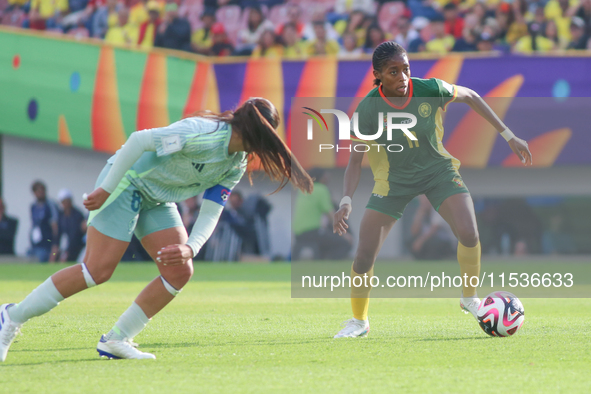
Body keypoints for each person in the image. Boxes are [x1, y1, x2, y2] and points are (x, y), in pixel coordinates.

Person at [0, 98, 313, 362]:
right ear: (258, 132)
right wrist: (108, 189)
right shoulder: (203, 134)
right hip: (126, 182)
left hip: (156, 196)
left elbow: (213, 207)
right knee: (97, 270)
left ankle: (116, 340)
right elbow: (138, 141)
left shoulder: (237, 163)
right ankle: (11, 316)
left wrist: (191, 247)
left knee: (180, 270)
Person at [332, 41, 532, 338]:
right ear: (378, 75)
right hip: (393, 183)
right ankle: (359, 322)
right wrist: (346, 201)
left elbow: (472, 96)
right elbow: (355, 161)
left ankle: (469, 299)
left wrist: (509, 135)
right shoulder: (367, 110)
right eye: (393, 71)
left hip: (438, 172)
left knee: (469, 232)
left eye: (406, 69)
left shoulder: (429, 89)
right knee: (363, 256)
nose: (402, 77)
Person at [292, 168, 335, 261]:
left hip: (298, 231)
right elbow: (330, 213)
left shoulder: (303, 188)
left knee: (323, 239)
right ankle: (328, 262)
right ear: (321, 177)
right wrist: (343, 232)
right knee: (342, 243)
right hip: (312, 231)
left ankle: (320, 259)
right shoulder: (322, 189)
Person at [29, 181, 59, 263]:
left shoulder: (50, 205)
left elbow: (55, 224)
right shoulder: (33, 206)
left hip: (47, 244)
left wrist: (55, 244)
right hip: (35, 243)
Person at [56, 189, 87, 263]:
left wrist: (67, 252)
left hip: (78, 246)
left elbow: (75, 236)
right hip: (68, 246)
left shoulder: (77, 215)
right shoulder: (61, 215)